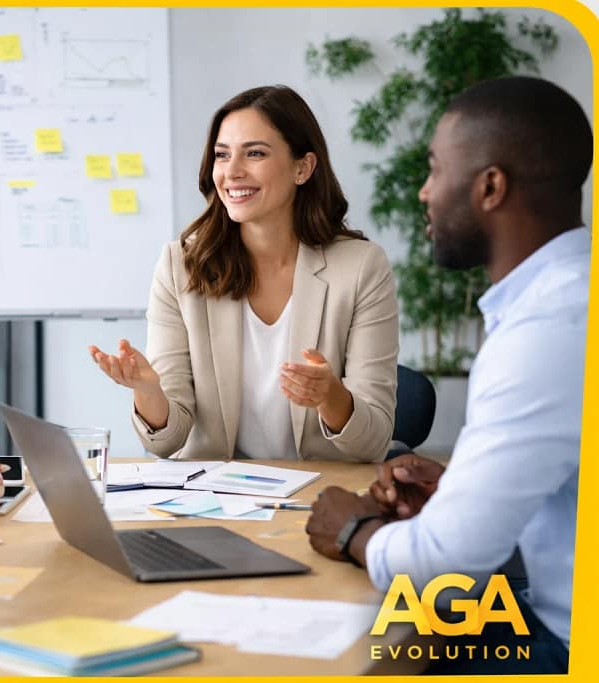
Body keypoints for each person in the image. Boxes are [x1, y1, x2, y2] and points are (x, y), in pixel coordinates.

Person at [305, 76, 590, 674]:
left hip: (565, 644)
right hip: (552, 600)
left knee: (345, 653)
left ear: (490, 186)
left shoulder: (547, 328)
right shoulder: (568, 295)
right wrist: (467, 485)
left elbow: (445, 564)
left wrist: (352, 527)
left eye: (436, 170)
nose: (423, 193)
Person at [89, 85, 399, 462]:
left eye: (254, 153)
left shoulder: (362, 268)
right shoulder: (179, 266)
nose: (232, 172)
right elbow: (165, 442)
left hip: (319, 497)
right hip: (213, 499)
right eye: (222, 155)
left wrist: (330, 396)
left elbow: (374, 443)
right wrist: (148, 391)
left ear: (303, 168)